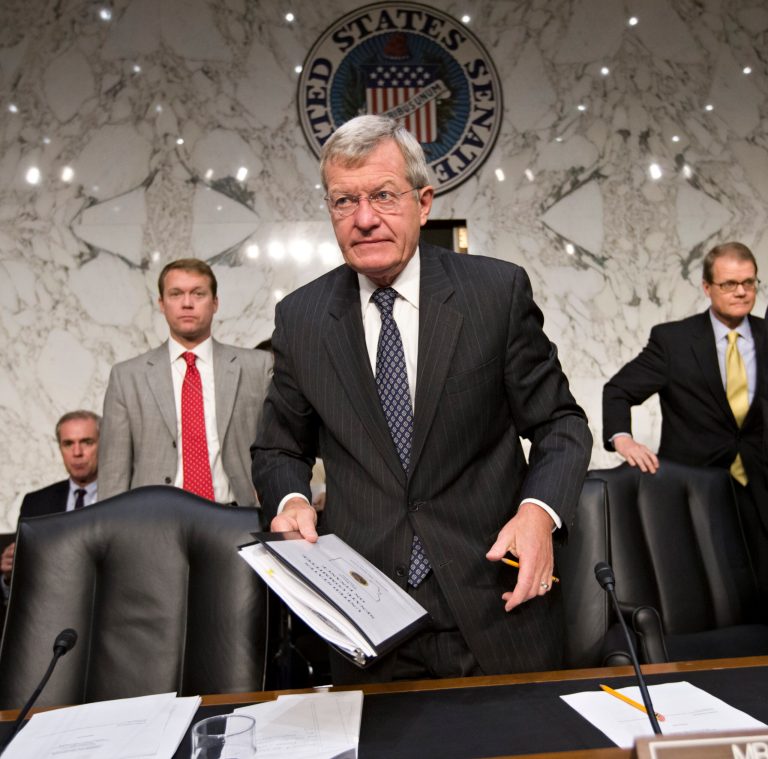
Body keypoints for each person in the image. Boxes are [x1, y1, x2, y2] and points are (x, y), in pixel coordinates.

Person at [252, 115, 592, 684]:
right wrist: (290, 501)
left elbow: (560, 423)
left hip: (494, 601)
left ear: (424, 200)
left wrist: (540, 512)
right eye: (344, 201)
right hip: (366, 619)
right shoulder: (302, 318)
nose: (364, 219)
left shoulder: (495, 293)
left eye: (384, 196)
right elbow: (277, 448)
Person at [603, 241, 768, 600]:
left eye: (750, 282)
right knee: (701, 592)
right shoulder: (673, 341)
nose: (741, 291)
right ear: (707, 287)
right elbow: (617, 390)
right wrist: (623, 439)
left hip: (759, 487)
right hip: (693, 487)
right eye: (729, 284)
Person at [99, 258, 271, 506]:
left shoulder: (257, 367)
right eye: (176, 294)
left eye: (198, 293)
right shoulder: (127, 377)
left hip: (237, 518)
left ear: (215, 303)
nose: (187, 303)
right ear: (161, 304)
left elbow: (278, 449)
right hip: (154, 521)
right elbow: (114, 473)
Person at [2, 410, 100, 597]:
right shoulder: (36, 502)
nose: (77, 452)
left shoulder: (123, 497)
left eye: (87, 442)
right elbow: (20, 587)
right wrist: (8, 576)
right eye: (68, 444)